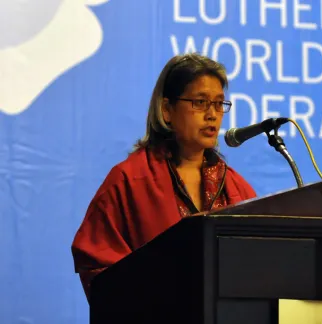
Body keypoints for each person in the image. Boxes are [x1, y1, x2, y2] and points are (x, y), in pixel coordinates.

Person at [71, 53, 257, 301]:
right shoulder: (128, 181)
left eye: (219, 103)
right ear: (167, 110)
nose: (212, 114)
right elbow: (97, 267)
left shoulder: (236, 187)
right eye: (200, 102)